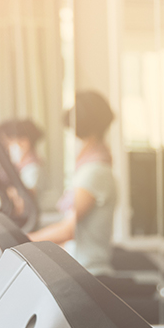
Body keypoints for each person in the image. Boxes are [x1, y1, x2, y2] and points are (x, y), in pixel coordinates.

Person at [30, 91, 117, 275]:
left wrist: (24, 241)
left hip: (89, 272)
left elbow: (68, 230)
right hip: (79, 268)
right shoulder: (90, 169)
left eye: (70, 133)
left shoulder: (94, 172)